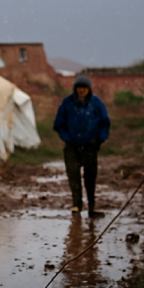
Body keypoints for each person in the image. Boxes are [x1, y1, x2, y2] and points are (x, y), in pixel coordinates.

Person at [53, 76, 110, 218]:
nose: (82, 90)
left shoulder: (96, 103)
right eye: (79, 87)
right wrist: (67, 139)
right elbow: (59, 124)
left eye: (84, 88)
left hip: (90, 146)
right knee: (73, 175)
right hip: (71, 146)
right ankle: (76, 204)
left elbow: (104, 122)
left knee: (90, 177)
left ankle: (92, 206)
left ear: (89, 89)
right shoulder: (67, 103)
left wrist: (100, 140)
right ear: (75, 89)